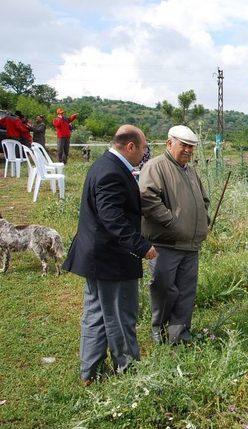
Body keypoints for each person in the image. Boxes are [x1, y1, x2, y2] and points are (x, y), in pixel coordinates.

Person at [62, 125, 157, 385]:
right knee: (120, 315)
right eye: (144, 148)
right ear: (130, 147)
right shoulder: (112, 173)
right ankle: (127, 370)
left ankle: (89, 372)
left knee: (95, 315)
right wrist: (141, 245)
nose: (145, 153)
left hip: (98, 259)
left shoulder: (105, 165)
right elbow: (112, 218)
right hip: (111, 259)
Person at [138, 125, 210, 345]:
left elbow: (203, 200)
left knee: (186, 293)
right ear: (169, 144)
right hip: (165, 243)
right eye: (184, 145)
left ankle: (179, 335)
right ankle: (158, 329)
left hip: (190, 245)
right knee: (164, 290)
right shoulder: (156, 167)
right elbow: (147, 198)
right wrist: (172, 222)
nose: (188, 150)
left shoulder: (189, 170)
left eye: (192, 147)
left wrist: (203, 221)